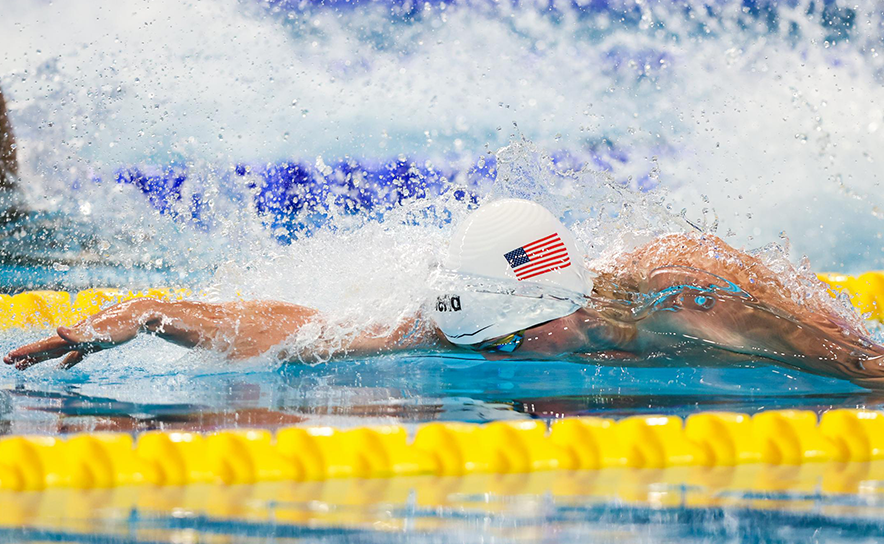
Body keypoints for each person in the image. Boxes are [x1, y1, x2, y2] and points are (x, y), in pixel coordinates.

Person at [5, 199, 883, 389]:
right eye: (490, 345)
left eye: (512, 340)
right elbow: (307, 331)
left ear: (557, 305)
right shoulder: (469, 316)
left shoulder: (693, 297)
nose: (502, 358)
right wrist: (155, 315)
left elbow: (859, 362)